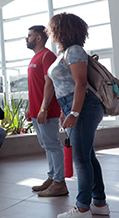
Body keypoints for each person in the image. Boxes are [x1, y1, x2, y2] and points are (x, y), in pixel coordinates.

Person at [46, 13, 109, 218]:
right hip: (75, 105)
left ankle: (82, 208)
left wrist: (74, 111)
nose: (51, 33)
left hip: (84, 105)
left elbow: (80, 83)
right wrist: (67, 111)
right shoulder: (65, 53)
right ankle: (99, 203)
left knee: (81, 159)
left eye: (53, 29)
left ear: (61, 30)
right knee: (88, 156)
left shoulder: (74, 51)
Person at [25, 25, 68, 197]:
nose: (27, 38)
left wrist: (43, 108)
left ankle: (59, 182)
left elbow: (49, 84)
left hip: (47, 111)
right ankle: (52, 178)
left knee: (53, 145)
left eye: (29, 35)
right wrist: (31, 107)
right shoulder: (35, 57)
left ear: (38, 38)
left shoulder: (47, 56)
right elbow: (34, 86)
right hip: (36, 111)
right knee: (47, 146)